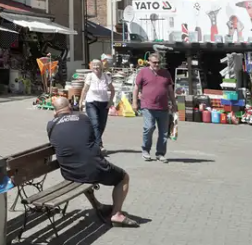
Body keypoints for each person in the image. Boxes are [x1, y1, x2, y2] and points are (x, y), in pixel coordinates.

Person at [47, 97, 138, 228]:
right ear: (70, 108)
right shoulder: (83, 118)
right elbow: (92, 140)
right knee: (123, 178)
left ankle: (98, 205)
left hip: (69, 173)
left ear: (55, 112)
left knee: (81, 174)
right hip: (93, 168)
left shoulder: (51, 125)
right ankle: (116, 214)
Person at [132, 53, 177, 163]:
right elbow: (136, 88)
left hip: (163, 107)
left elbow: (170, 90)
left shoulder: (166, 73)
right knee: (149, 128)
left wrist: (174, 104)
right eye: (154, 62)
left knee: (164, 132)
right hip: (148, 106)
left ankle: (160, 153)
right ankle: (145, 151)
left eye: (158, 62)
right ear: (149, 62)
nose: (157, 64)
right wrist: (134, 102)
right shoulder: (143, 72)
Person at [80, 59, 115, 154]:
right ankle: (99, 145)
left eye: (98, 65)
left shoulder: (106, 76)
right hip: (91, 102)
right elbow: (85, 89)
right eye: (94, 65)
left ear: (102, 67)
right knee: (95, 123)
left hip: (104, 103)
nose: (96, 67)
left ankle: (92, 143)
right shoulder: (90, 76)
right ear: (91, 67)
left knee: (101, 125)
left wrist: (110, 101)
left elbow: (112, 90)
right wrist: (81, 101)